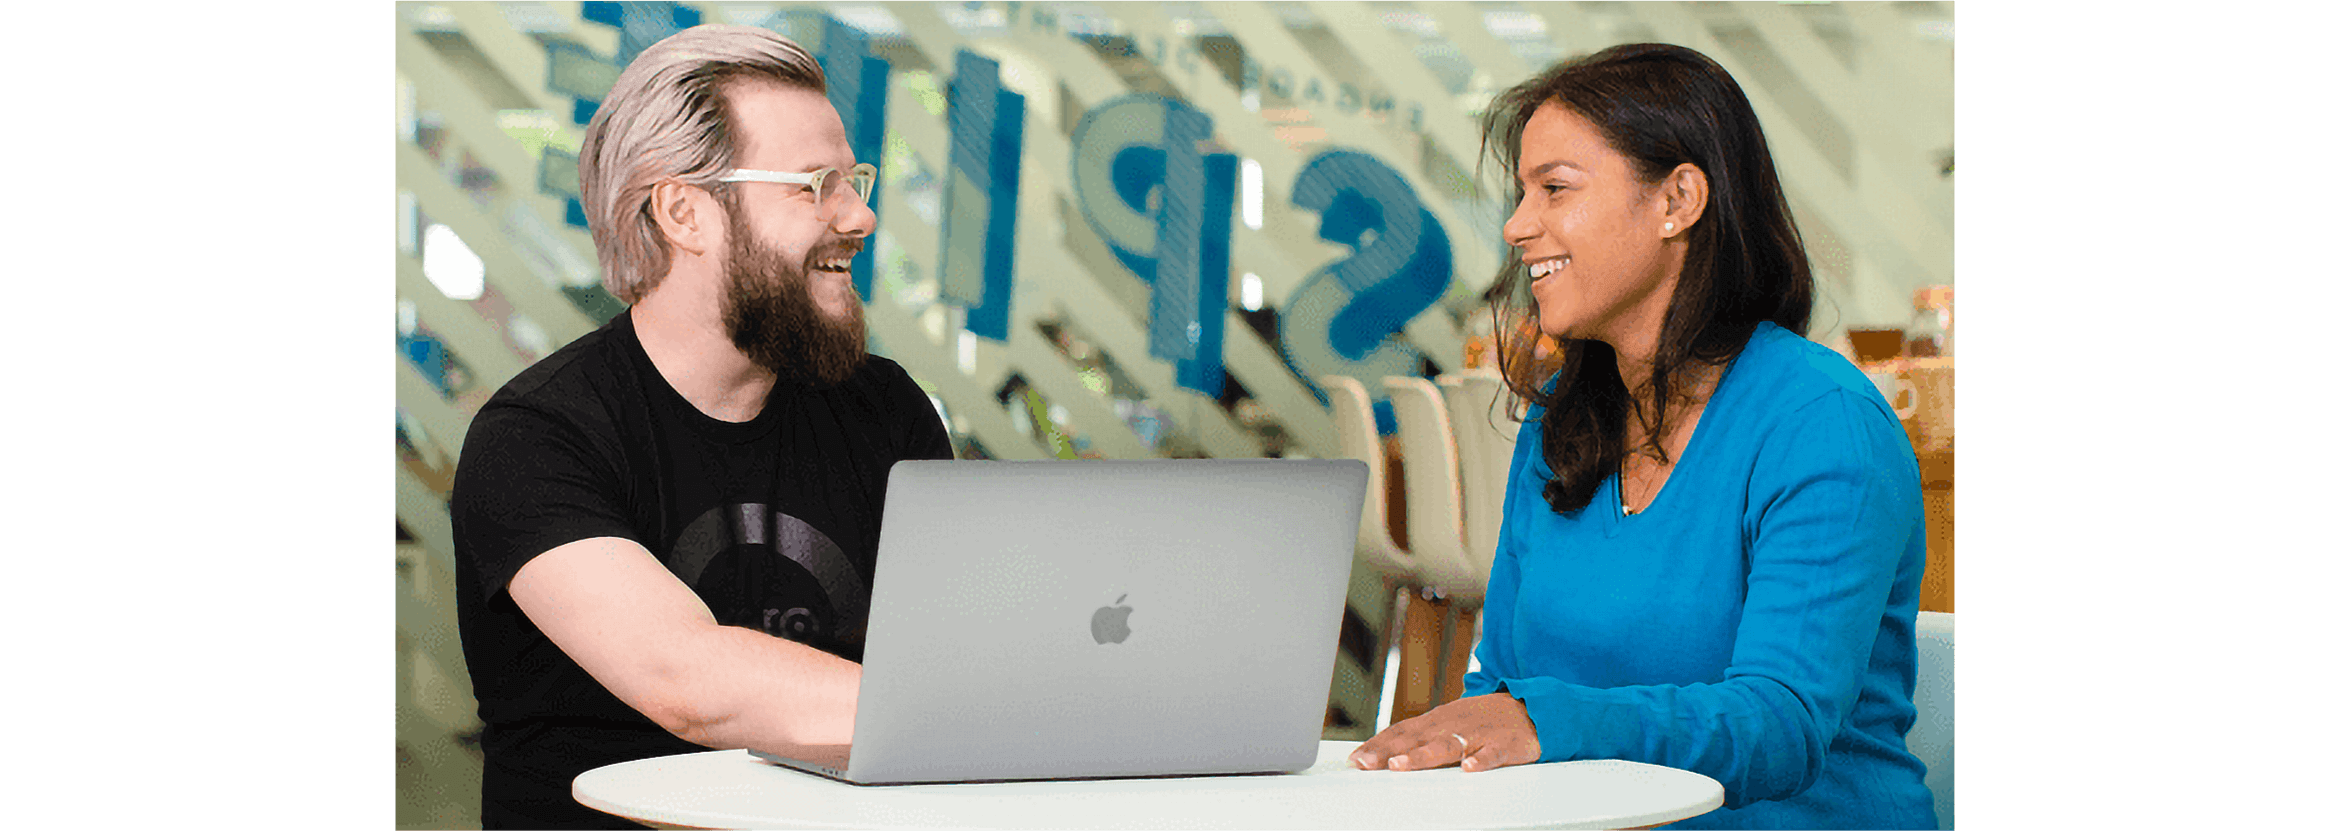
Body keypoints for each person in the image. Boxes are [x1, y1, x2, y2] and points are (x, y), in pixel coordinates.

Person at [1348, 43, 1940, 830]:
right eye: (1522, 193)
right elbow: (1505, 676)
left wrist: (1547, 720)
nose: (1520, 227)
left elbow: (1782, 721)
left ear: (1678, 199)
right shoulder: (1564, 415)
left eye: (1555, 188)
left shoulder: (1822, 424)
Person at [450, 25, 953, 829]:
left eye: (854, 179)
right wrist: (998, 717)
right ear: (684, 211)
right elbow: (689, 682)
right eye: (815, 184)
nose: (859, 215)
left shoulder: (884, 409)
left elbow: (955, 644)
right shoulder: (536, 436)